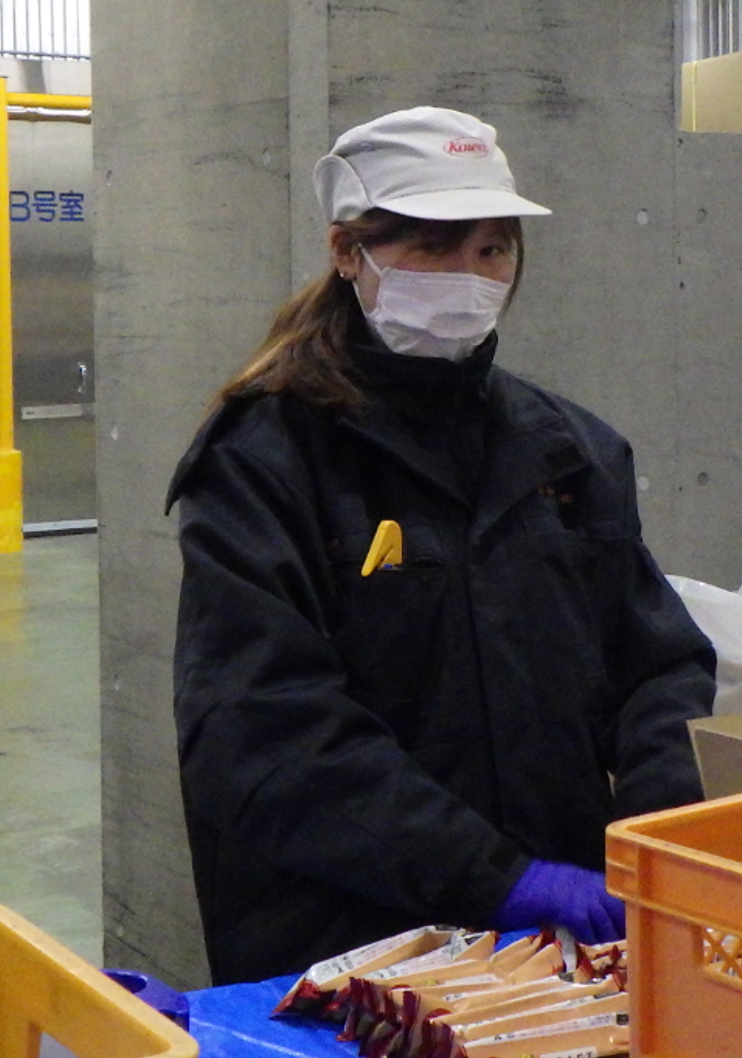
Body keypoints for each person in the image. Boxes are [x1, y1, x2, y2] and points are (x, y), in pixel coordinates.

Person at [166, 106, 715, 985]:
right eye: (433, 247)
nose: (470, 275)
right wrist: (501, 880)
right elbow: (261, 729)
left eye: (492, 249)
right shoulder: (265, 460)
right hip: (356, 942)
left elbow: (658, 664)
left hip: (554, 946)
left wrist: (654, 839)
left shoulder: (567, 451)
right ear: (349, 253)